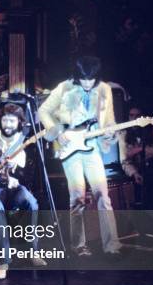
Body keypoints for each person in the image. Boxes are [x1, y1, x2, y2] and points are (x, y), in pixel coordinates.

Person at [38, 56, 122, 256]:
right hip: (70, 148)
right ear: (77, 76)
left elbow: (108, 120)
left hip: (92, 145)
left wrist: (111, 130)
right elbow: (43, 111)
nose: (87, 83)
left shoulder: (105, 90)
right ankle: (78, 245)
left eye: (91, 79)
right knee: (77, 197)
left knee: (103, 194)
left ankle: (112, 244)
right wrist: (58, 132)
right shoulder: (64, 88)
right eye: (83, 79)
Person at [0, 103, 46, 280]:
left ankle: (33, 251)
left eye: (12, 121)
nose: (8, 125)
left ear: (19, 122)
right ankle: (3, 261)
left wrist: (16, 174)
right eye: (5, 120)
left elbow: (31, 176)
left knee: (32, 203)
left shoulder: (26, 143)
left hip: (15, 186)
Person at [118, 105, 153, 209]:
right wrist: (134, 173)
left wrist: (141, 149)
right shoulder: (123, 134)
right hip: (139, 175)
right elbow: (125, 160)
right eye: (131, 115)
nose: (134, 119)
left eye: (138, 115)